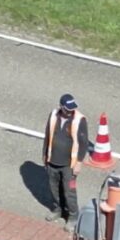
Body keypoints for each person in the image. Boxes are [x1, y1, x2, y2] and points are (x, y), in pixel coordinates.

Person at [42, 93, 93, 221]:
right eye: (68, 109)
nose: (71, 112)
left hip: (69, 165)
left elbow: (83, 143)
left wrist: (79, 162)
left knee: (69, 192)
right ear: (61, 107)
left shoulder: (79, 120)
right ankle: (58, 209)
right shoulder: (53, 115)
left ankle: (73, 216)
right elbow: (48, 136)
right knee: (54, 189)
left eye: (72, 109)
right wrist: (44, 156)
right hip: (52, 161)